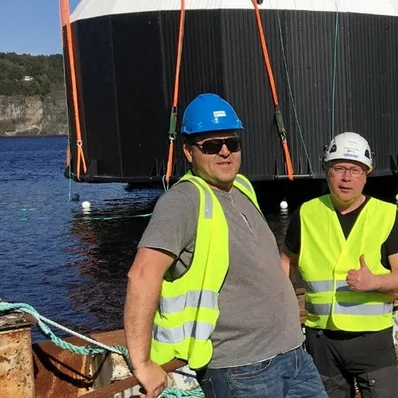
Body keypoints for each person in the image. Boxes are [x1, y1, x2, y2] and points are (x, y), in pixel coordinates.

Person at [123, 93, 324, 398]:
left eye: (233, 143)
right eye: (212, 146)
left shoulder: (242, 188)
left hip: (293, 355)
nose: (225, 152)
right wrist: (141, 362)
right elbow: (142, 275)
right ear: (189, 152)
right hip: (241, 371)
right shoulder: (183, 201)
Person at [280, 132, 398, 398]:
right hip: (321, 341)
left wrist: (374, 282)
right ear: (327, 170)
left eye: (355, 170)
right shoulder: (307, 214)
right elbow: (285, 263)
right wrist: (282, 312)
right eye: (339, 168)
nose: (346, 177)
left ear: (366, 174)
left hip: (372, 342)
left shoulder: (386, 215)